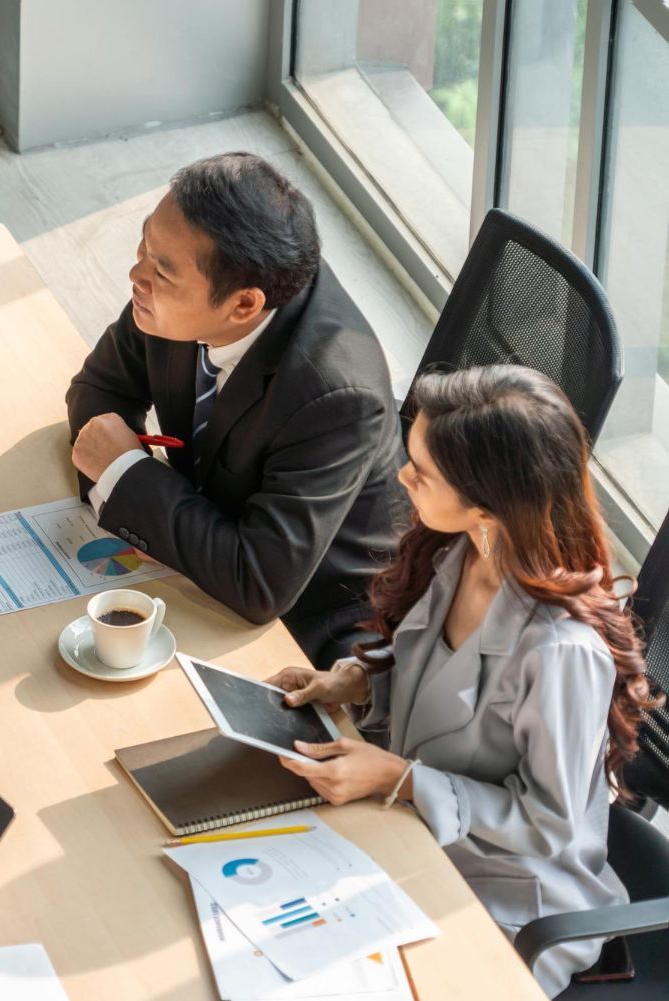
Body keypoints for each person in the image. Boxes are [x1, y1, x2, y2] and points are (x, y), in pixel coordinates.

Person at [269, 365, 659, 997]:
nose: (401, 476)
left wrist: (400, 778)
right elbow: (444, 680)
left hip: (503, 893)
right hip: (411, 832)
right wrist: (356, 682)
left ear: (487, 503)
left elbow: (549, 823)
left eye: (421, 472)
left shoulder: (561, 651)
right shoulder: (465, 551)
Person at [67, 152, 403, 668]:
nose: (136, 274)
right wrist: (154, 507)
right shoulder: (184, 289)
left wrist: (124, 473)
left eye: (161, 270)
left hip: (310, 632)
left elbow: (257, 584)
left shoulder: (337, 397)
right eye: (143, 245)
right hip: (201, 569)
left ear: (244, 305)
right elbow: (99, 390)